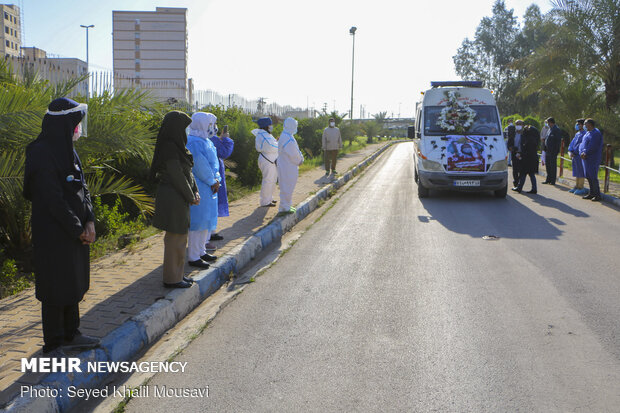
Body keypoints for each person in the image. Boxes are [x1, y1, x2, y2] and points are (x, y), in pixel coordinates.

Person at [23, 97, 100, 354]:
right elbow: (52, 199)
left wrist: (89, 220)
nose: (78, 129)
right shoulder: (41, 152)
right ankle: (54, 342)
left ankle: (71, 333)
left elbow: (83, 188)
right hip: (54, 234)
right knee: (55, 286)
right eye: (74, 124)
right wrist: (77, 228)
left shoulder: (69, 150)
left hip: (74, 232)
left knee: (72, 281)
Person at [151, 111, 199, 289]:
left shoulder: (179, 147)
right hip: (173, 196)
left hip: (180, 196)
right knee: (175, 238)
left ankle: (178, 275)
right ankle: (172, 278)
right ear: (176, 128)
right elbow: (177, 175)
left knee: (181, 237)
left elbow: (188, 172)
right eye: (184, 128)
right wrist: (190, 195)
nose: (185, 132)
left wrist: (195, 191)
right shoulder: (169, 147)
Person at [186, 112, 220, 268]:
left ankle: (201, 251)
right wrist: (212, 180)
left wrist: (217, 179)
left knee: (206, 221)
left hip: (211, 186)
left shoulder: (207, 141)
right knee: (197, 222)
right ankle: (193, 256)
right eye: (210, 125)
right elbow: (200, 165)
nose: (213, 128)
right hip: (202, 185)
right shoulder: (193, 142)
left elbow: (215, 164)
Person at [208, 121, 234, 243]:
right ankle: (207, 237)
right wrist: (226, 139)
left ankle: (211, 233)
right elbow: (224, 152)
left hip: (210, 175)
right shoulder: (211, 138)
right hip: (211, 177)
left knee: (212, 205)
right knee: (211, 204)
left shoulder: (199, 137)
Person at [277, 117, 304, 214]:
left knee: (286, 186)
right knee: (288, 186)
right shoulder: (288, 138)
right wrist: (300, 160)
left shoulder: (286, 135)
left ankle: (286, 206)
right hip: (288, 166)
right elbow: (294, 154)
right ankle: (284, 207)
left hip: (285, 164)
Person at [253, 117, 278, 207]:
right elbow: (272, 147)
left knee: (272, 179)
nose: (271, 126)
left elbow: (272, 144)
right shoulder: (263, 135)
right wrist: (279, 144)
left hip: (270, 160)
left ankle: (269, 198)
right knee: (268, 180)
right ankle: (265, 201)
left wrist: (277, 142)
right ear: (266, 126)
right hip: (267, 161)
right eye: (270, 125)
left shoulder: (266, 134)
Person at [579, 118, 604, 201]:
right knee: (588, 176)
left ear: (590, 125)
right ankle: (591, 193)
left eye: (585, 124)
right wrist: (581, 152)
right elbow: (582, 144)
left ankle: (597, 195)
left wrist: (585, 153)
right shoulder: (587, 133)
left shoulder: (596, 133)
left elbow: (593, 146)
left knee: (593, 176)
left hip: (592, 158)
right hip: (585, 158)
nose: (584, 126)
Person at [512, 124, 540, 194]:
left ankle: (519, 187)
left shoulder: (526, 138)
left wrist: (520, 155)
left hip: (527, 159)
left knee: (523, 174)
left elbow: (525, 149)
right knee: (531, 174)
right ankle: (534, 188)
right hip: (533, 158)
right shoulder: (534, 138)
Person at [568, 119, 587, 195]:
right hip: (574, 155)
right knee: (576, 171)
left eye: (579, 124)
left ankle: (581, 187)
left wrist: (576, 151)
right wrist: (571, 151)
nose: (577, 125)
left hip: (580, 156)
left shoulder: (585, 134)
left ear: (583, 125)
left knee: (581, 171)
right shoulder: (577, 134)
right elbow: (572, 143)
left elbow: (581, 145)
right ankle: (576, 186)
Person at [542, 117, 561, 185]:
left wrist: (556, 151)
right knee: (548, 166)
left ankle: (553, 180)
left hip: (553, 151)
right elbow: (547, 139)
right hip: (547, 150)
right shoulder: (549, 129)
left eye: (548, 122)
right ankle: (548, 179)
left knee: (553, 166)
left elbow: (558, 142)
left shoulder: (556, 130)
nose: (547, 124)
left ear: (551, 122)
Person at [507, 120, 523, 187]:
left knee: (521, 169)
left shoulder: (524, 134)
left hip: (522, 154)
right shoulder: (513, 134)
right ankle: (516, 182)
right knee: (515, 169)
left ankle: (520, 182)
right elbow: (509, 142)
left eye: (519, 124)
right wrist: (510, 148)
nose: (518, 126)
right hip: (514, 153)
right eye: (517, 124)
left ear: (522, 125)